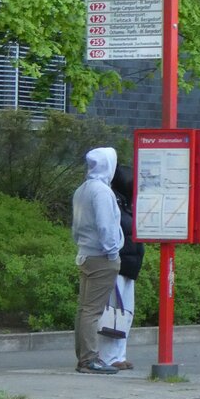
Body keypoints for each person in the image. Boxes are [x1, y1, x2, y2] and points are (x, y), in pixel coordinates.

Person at [71, 147, 124, 374]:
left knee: (84, 310)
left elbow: (76, 226)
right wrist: (112, 252)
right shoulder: (102, 192)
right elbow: (106, 226)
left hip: (85, 254)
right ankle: (90, 359)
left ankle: (84, 357)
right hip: (101, 257)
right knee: (93, 311)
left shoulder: (82, 189)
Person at [97, 164, 144, 372]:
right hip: (119, 261)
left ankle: (118, 355)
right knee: (113, 311)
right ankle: (108, 356)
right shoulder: (113, 201)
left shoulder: (126, 203)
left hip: (130, 264)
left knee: (125, 312)